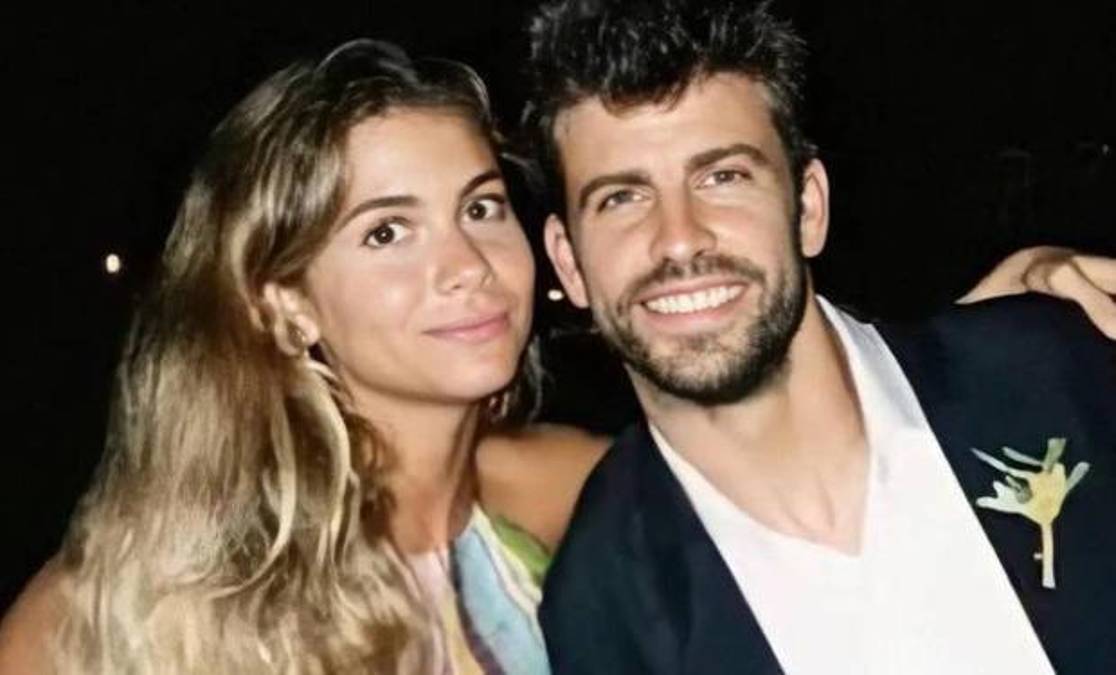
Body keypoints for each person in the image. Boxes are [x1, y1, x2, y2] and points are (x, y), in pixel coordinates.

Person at [0, 27, 1112, 675]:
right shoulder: (137, 589)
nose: (464, 265)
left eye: (479, 207)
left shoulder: (558, 496)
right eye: (386, 231)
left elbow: (781, 425)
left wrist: (991, 334)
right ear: (284, 301)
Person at [526, 0, 1116, 673]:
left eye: (723, 177)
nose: (679, 238)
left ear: (808, 207)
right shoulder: (604, 610)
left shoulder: (1057, 367)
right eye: (621, 198)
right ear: (568, 262)